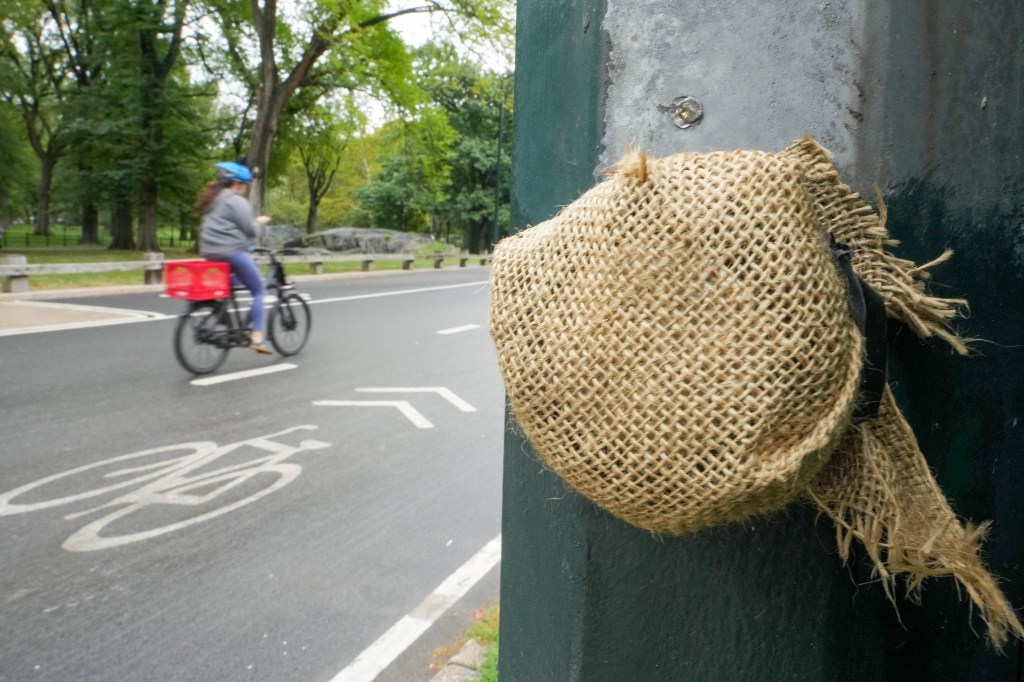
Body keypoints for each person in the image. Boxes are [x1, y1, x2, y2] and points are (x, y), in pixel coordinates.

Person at [195, 161, 273, 354]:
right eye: (244, 186)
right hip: (232, 252)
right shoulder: (236, 200)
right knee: (258, 289)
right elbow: (250, 230)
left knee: (229, 287)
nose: (244, 190)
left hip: (210, 253)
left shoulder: (213, 199)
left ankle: (228, 326)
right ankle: (257, 337)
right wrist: (260, 221)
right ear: (237, 184)